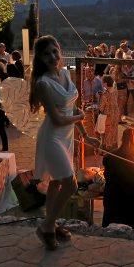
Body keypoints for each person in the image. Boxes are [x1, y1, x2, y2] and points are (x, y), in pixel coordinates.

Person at [29, 35, 100, 250]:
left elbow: (72, 108)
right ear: (40, 59)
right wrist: (79, 119)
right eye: (46, 54)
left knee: (56, 182)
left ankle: (52, 223)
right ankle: (47, 226)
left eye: (54, 51)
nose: (52, 56)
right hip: (52, 137)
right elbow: (59, 119)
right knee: (71, 184)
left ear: (60, 51)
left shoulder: (66, 74)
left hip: (67, 137)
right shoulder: (43, 83)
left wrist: (86, 135)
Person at [102, 128, 134, 228]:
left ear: (122, 139)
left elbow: (106, 175)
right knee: (131, 231)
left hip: (113, 201)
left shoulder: (110, 156)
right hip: (131, 202)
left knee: (112, 230)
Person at [97, 75, 119, 150]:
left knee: (106, 131)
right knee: (114, 130)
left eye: (103, 82)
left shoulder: (105, 95)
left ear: (106, 84)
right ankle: (114, 145)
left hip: (107, 115)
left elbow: (101, 107)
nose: (102, 84)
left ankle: (107, 147)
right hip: (115, 113)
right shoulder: (115, 90)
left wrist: (98, 97)